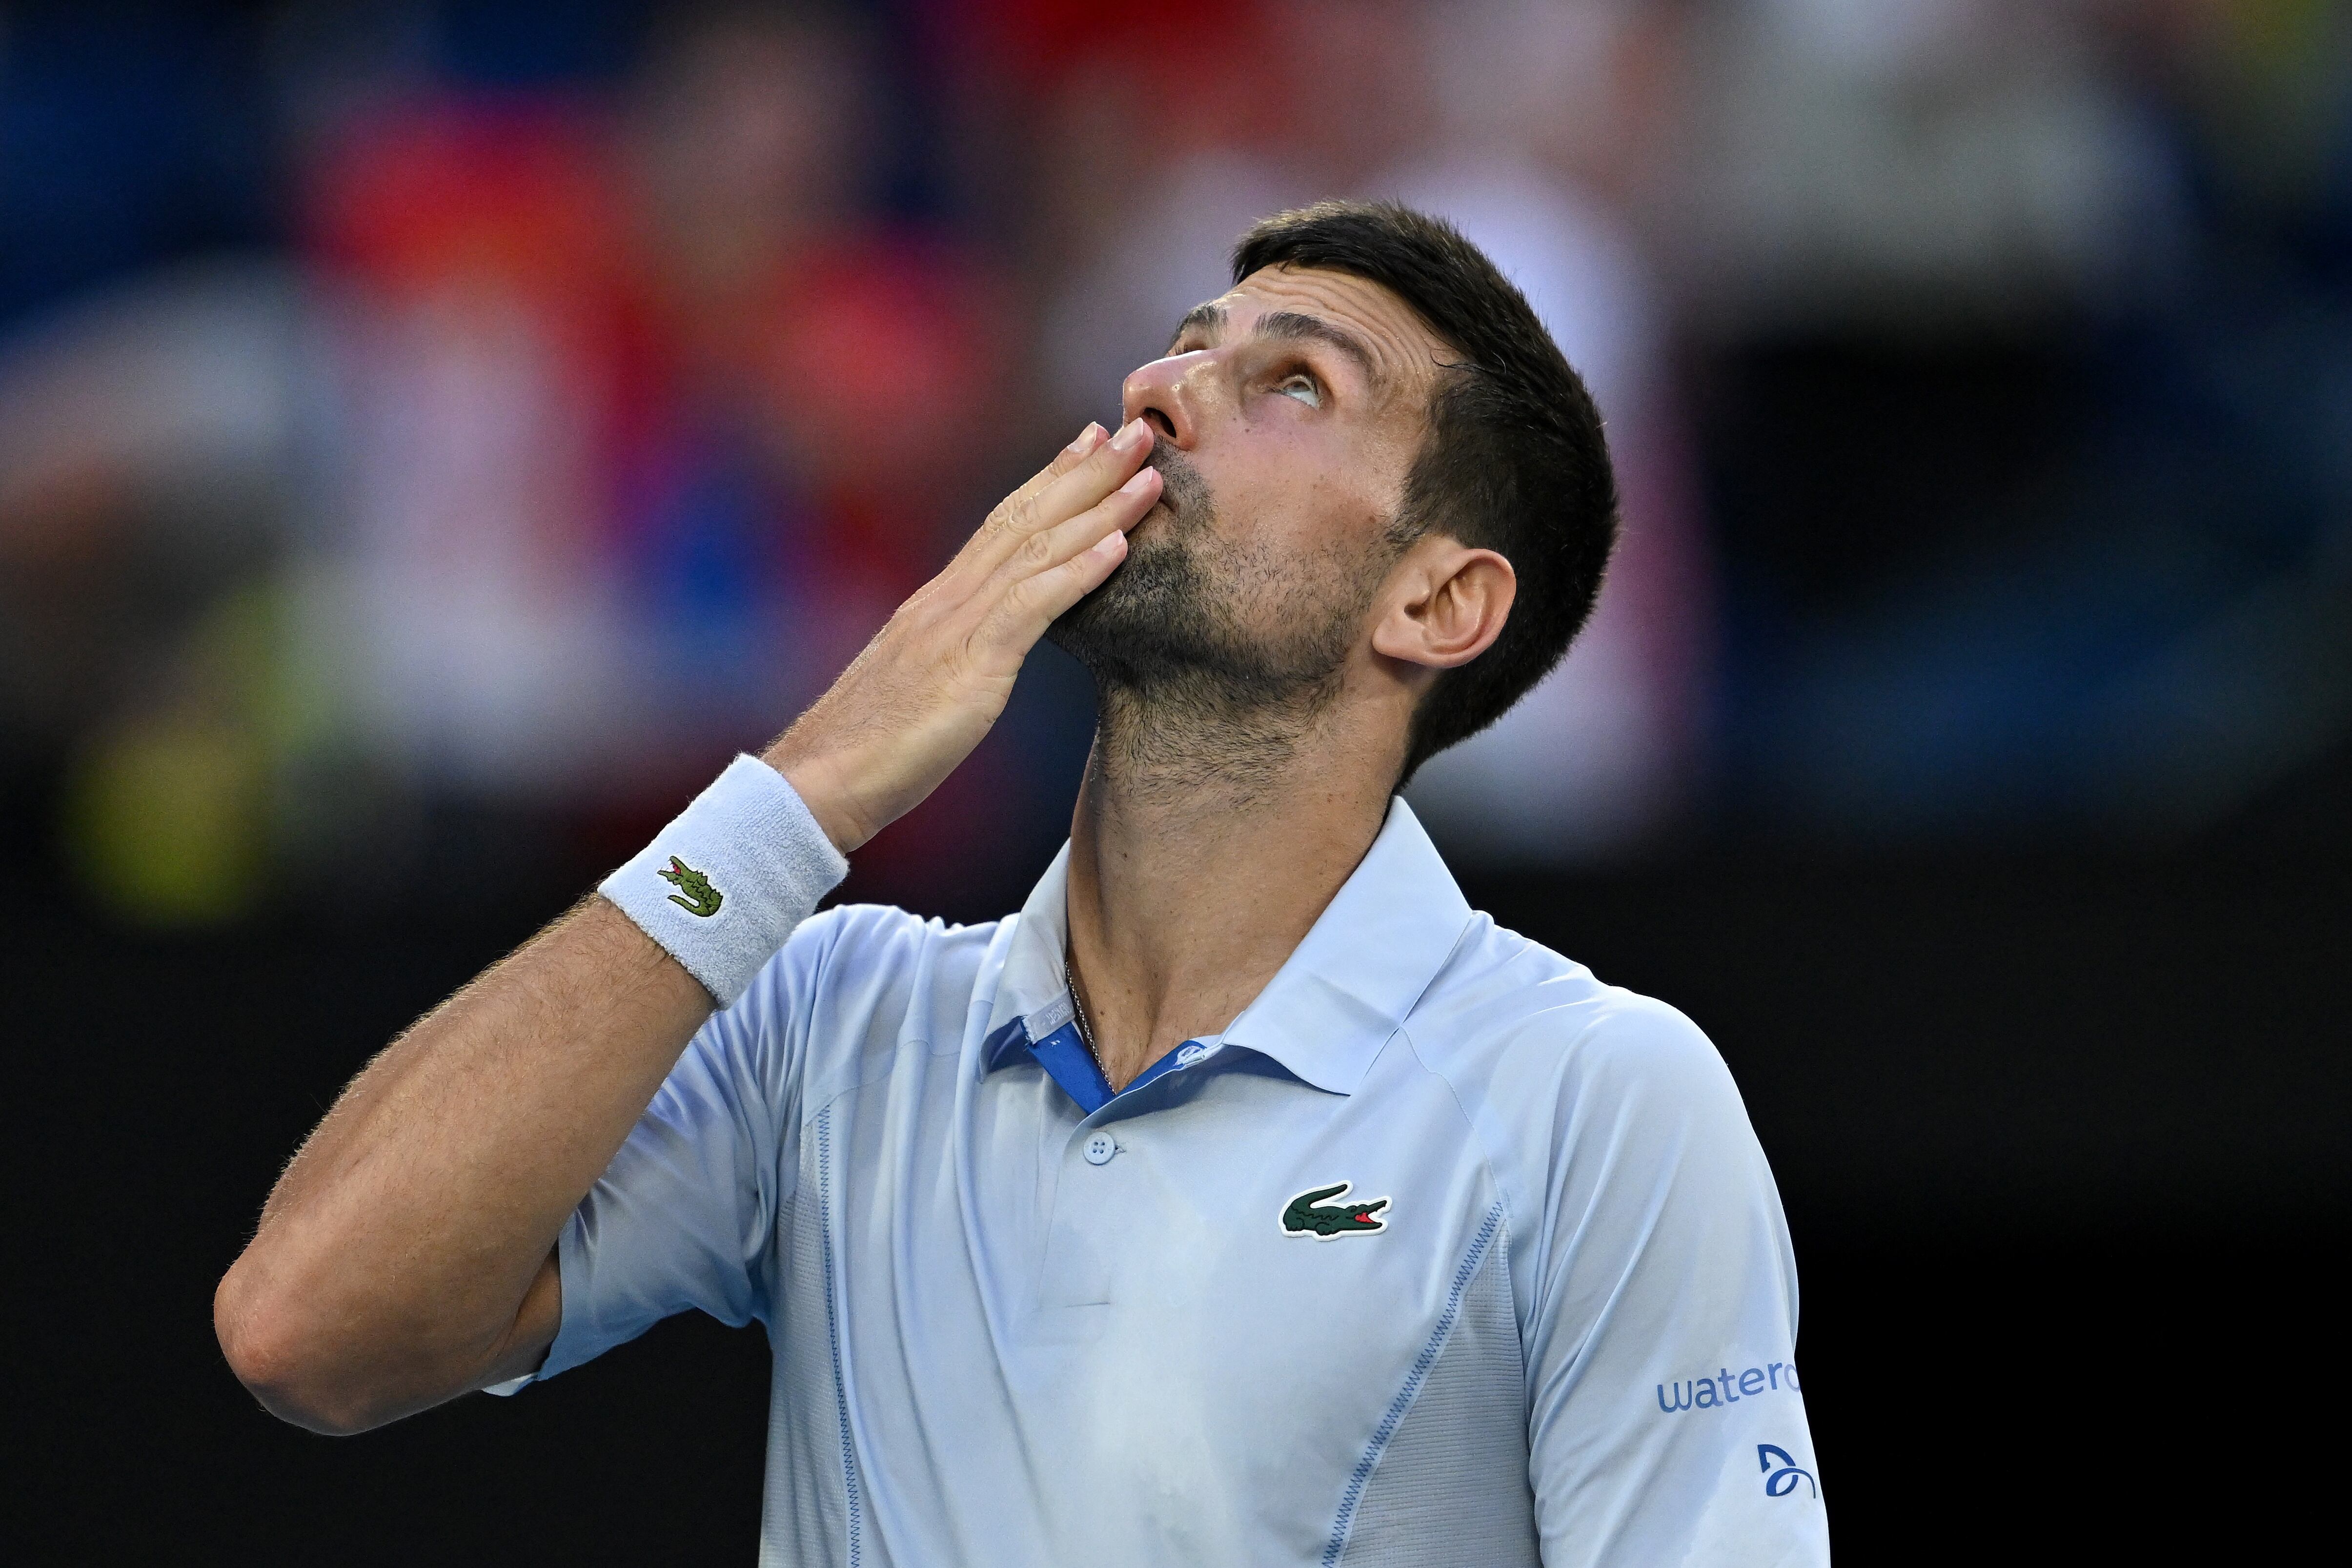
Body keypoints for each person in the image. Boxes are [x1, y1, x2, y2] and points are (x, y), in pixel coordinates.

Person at [216, 201, 1827, 1566]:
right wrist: (798, 797)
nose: (1162, 391)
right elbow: (309, 1330)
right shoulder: (836, 1020)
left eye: (1291, 385)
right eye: (1187, 343)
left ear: (1439, 601)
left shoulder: (1593, 1093)